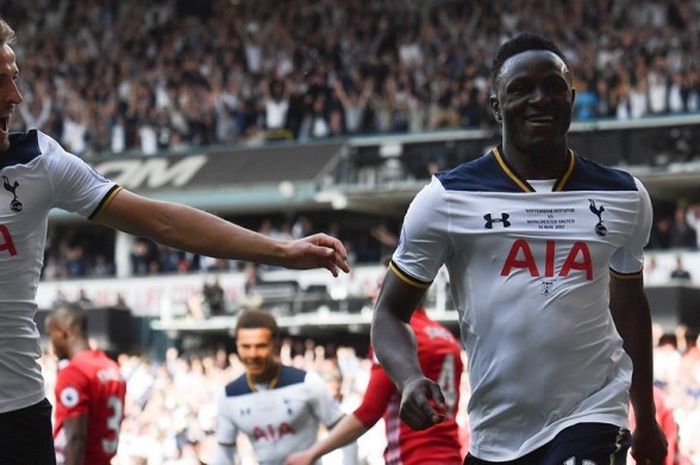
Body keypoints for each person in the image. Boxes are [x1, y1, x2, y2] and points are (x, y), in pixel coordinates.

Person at [0, 18, 348, 465]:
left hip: (16, 413)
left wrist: (281, 251)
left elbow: (162, 222)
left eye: (14, 76)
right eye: (1, 81)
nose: (16, 96)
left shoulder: (40, 162)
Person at [371, 33, 668, 465]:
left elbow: (629, 307)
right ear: (496, 105)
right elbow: (389, 313)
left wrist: (646, 415)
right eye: (521, 89)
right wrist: (410, 378)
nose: (539, 99)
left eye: (552, 87)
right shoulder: (446, 199)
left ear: (571, 97)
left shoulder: (624, 196)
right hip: (497, 435)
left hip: (593, 414)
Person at [285, 304, 464, 465]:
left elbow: (369, 411)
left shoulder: (395, 332)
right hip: (451, 456)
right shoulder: (446, 337)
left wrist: (311, 454)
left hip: (413, 456)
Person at [211, 309, 345, 465]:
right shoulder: (229, 396)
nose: (253, 354)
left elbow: (345, 432)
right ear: (237, 346)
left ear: (275, 344)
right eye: (245, 346)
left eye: (260, 346)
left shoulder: (307, 383)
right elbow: (224, 454)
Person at [45, 303, 127, 465]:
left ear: (63, 333)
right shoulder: (112, 368)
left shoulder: (74, 372)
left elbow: (76, 438)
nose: (51, 346)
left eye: (51, 335)